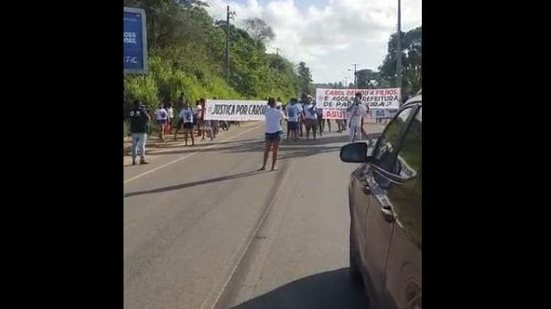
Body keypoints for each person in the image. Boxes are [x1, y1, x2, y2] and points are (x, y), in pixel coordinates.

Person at [260, 97, 287, 171]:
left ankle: (264, 166)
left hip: (268, 132)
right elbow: (285, 118)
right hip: (277, 132)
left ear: (269, 103)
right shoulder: (278, 112)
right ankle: (272, 167)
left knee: (266, 150)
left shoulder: (266, 111)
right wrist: (281, 109)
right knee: (275, 151)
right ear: (275, 103)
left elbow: (264, 108)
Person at [128, 100, 151, 165]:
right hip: (142, 130)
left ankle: (133, 160)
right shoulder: (141, 110)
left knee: (134, 145)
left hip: (134, 130)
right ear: (139, 104)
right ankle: (142, 159)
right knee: (142, 145)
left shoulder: (131, 111)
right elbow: (148, 118)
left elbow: (130, 119)